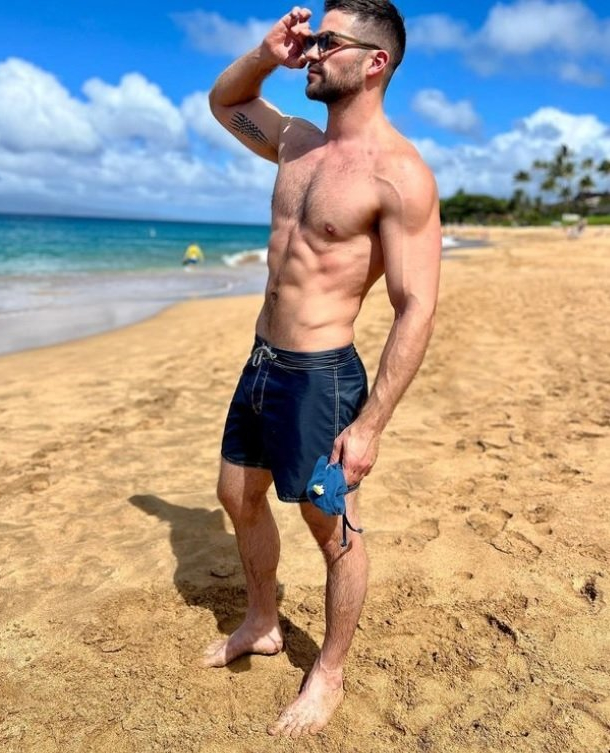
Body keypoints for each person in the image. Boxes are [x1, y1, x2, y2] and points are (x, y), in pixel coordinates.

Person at [204, 0, 441, 738]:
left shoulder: (399, 176)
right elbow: (225, 103)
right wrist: (265, 52)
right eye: (309, 40)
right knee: (236, 495)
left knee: (331, 526)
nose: (310, 53)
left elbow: (415, 306)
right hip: (262, 360)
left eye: (326, 42)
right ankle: (262, 621)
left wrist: (369, 426)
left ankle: (330, 671)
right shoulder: (295, 142)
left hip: (321, 377)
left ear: (374, 62)